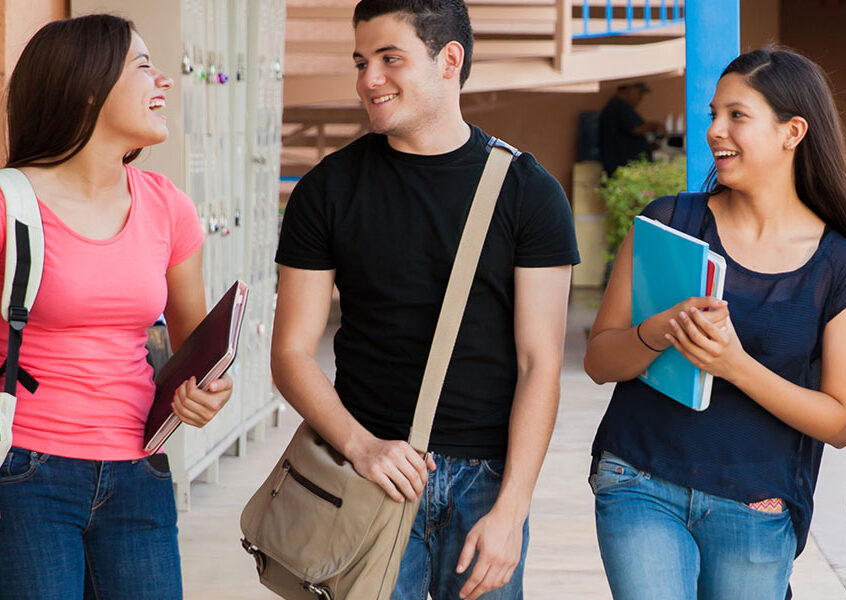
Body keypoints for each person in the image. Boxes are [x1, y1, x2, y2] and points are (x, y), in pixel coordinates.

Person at [269, 1, 578, 599]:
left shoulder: (529, 192)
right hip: (366, 477)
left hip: (487, 483)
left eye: (390, 59)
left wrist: (511, 511)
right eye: (361, 62)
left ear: (449, 60)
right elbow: (291, 353)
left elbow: (540, 364)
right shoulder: (327, 190)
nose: (368, 80)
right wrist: (360, 446)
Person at [583, 46, 846, 599]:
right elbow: (599, 360)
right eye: (714, 114)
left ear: (793, 132)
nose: (716, 131)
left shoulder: (839, 267)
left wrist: (735, 366)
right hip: (639, 480)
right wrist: (658, 331)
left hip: (756, 506)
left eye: (737, 116)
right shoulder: (669, 222)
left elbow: (840, 422)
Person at [0, 14, 233, 600]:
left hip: (139, 470)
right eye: (143, 67)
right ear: (86, 87)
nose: (165, 82)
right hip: (25, 471)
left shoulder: (167, 207)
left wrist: (202, 393)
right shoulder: (10, 204)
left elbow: (193, 349)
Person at [598, 82, 666, 176]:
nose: (641, 98)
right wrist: (655, 126)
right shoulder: (620, 106)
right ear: (629, 88)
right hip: (624, 168)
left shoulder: (618, 106)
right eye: (640, 93)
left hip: (626, 167)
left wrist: (649, 147)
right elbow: (636, 129)